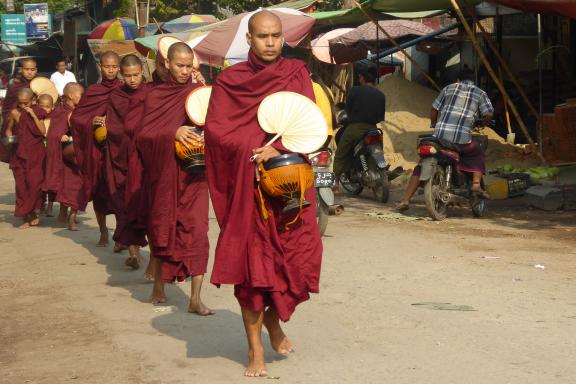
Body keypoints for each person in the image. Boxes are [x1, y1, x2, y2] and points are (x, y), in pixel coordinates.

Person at [204, 11, 323, 377]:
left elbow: (307, 124)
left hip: (290, 187)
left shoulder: (296, 73)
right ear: (249, 40)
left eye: (275, 36)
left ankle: (273, 321)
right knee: (254, 273)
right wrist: (256, 147)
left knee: (303, 262)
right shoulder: (230, 81)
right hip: (249, 194)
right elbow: (218, 134)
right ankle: (255, 348)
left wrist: (281, 146)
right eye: (262, 36)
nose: (270, 43)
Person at [136, 42, 212, 314]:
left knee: (197, 231)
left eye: (188, 66)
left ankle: (195, 298)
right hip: (166, 174)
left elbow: (214, 125)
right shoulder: (155, 95)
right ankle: (159, 285)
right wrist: (173, 132)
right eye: (179, 65)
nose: (184, 71)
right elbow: (143, 135)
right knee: (162, 227)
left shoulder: (199, 93)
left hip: (195, 175)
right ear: (167, 63)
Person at [396, 68, 494, 211]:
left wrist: (434, 125)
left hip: (440, 137)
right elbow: (490, 113)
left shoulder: (448, 88)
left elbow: (434, 110)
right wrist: (484, 122)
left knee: (421, 165)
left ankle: (405, 200)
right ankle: (476, 184)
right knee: (477, 150)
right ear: (474, 81)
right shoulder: (480, 93)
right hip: (460, 140)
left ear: (457, 80)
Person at [70, 51, 122, 247]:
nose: (110, 70)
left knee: (118, 193)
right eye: (107, 66)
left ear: (119, 68)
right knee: (100, 193)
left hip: (118, 150)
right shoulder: (93, 91)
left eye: (114, 66)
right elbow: (76, 118)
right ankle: (102, 231)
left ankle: (120, 234)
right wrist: (91, 121)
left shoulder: (124, 89)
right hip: (98, 151)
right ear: (100, 66)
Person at [104, 54, 150, 269]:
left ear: (142, 72)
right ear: (122, 75)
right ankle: (133, 251)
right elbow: (113, 128)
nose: (132, 80)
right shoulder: (117, 96)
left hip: (145, 158)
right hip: (122, 156)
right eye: (128, 76)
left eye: (136, 75)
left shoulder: (151, 93)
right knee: (126, 203)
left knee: (145, 204)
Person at [333, 66, 386, 186]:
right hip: (373, 129)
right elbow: (380, 118)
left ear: (362, 78)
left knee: (341, 152)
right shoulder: (381, 95)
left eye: (360, 77)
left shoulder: (355, 90)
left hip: (355, 128)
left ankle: (335, 183)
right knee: (379, 150)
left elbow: (348, 111)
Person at [44, 83, 87, 230]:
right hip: (66, 156)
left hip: (76, 155)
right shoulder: (61, 112)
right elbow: (51, 134)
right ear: (70, 95)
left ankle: (68, 217)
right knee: (70, 188)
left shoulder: (77, 111)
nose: (83, 98)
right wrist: (60, 136)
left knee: (74, 188)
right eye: (81, 95)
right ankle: (67, 217)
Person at [7, 88, 48, 228]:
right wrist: (8, 136)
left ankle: (32, 212)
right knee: (21, 186)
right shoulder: (14, 112)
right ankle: (26, 216)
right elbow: (8, 128)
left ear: (33, 101)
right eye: (20, 103)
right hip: (19, 153)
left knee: (35, 184)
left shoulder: (38, 112)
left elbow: (43, 131)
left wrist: (34, 116)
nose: (23, 106)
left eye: (26, 103)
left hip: (36, 153)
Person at [1, 58, 37, 163]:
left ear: (36, 70)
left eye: (32, 69)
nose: (29, 72)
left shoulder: (41, 84)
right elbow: (6, 109)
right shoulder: (14, 87)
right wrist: (12, 117)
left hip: (36, 124)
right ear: (21, 70)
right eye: (26, 69)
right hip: (19, 124)